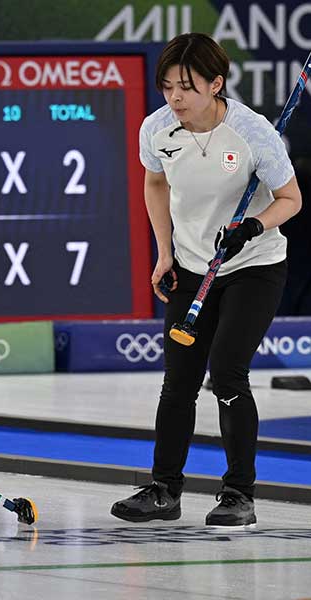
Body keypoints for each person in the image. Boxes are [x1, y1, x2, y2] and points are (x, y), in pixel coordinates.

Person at [110, 33, 302, 527]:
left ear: (216, 84)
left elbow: (291, 199)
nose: (175, 97)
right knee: (178, 381)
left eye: (187, 87)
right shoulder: (157, 129)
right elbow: (155, 182)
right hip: (194, 266)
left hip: (253, 266)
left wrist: (252, 226)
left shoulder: (252, 133)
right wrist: (165, 252)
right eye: (167, 86)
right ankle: (163, 491)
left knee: (228, 372)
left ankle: (239, 494)